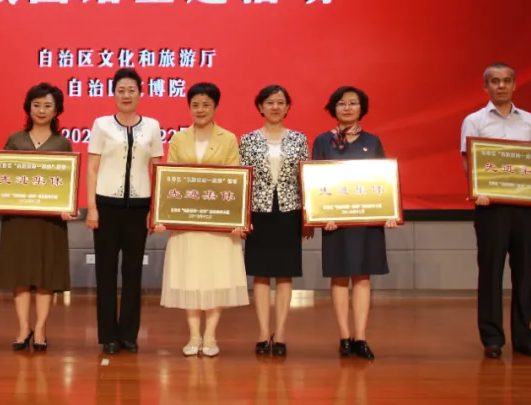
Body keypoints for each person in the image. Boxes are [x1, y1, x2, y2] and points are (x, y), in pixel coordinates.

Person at [461, 63, 531, 360]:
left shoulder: (529, 121)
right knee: (491, 273)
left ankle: (524, 338)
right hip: (491, 209)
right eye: (494, 81)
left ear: (515, 85)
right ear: (485, 87)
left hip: (525, 210)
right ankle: (492, 339)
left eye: (506, 80)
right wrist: (478, 189)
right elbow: (469, 162)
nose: (501, 85)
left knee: (525, 273)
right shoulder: (474, 120)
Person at [156, 82, 248, 357]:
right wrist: (163, 215)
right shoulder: (178, 139)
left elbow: (235, 181)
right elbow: (169, 179)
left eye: (206, 104)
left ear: (215, 106)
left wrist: (238, 219)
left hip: (217, 223)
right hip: (187, 222)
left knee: (216, 276)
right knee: (190, 276)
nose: (200, 109)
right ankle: (194, 335)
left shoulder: (228, 138)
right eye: (195, 104)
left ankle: (210, 335)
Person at [311, 86, 398, 361]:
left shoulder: (372, 141)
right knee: (339, 277)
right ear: (333, 108)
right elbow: (315, 181)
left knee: (362, 277)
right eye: (341, 103)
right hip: (335, 222)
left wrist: (389, 211)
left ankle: (361, 337)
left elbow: (383, 181)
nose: (347, 108)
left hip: (365, 221)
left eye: (353, 103)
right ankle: (344, 337)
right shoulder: (323, 141)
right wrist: (322, 214)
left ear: (362, 108)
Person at [0, 83, 73, 352]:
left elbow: (66, 183)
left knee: (46, 276)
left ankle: (41, 328)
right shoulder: (15, 139)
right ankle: (23, 327)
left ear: (56, 110)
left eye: (47, 105)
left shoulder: (62, 143)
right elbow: (2, 178)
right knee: (20, 274)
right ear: (28, 108)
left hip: (50, 221)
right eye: (36, 105)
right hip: (18, 220)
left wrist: (68, 206)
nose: (41, 110)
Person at [85, 67, 164, 355]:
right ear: (113, 94)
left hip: (138, 208)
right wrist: (91, 208)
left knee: (133, 272)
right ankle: (108, 335)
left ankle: (129, 334)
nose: (126, 95)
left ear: (140, 93)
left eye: (131, 90)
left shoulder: (152, 126)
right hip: (106, 206)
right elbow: (92, 168)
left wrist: (155, 209)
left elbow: (157, 170)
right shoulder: (101, 124)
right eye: (121, 90)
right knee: (105, 272)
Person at [238, 84, 311, 356]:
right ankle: (261, 333)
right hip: (259, 212)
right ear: (260, 107)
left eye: (280, 102)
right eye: (270, 102)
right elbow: (242, 181)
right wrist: (241, 218)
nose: (275, 107)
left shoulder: (299, 139)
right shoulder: (247, 140)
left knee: (285, 273)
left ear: (287, 107)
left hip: (289, 211)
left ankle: (279, 334)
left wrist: (308, 217)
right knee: (260, 273)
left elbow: (306, 179)